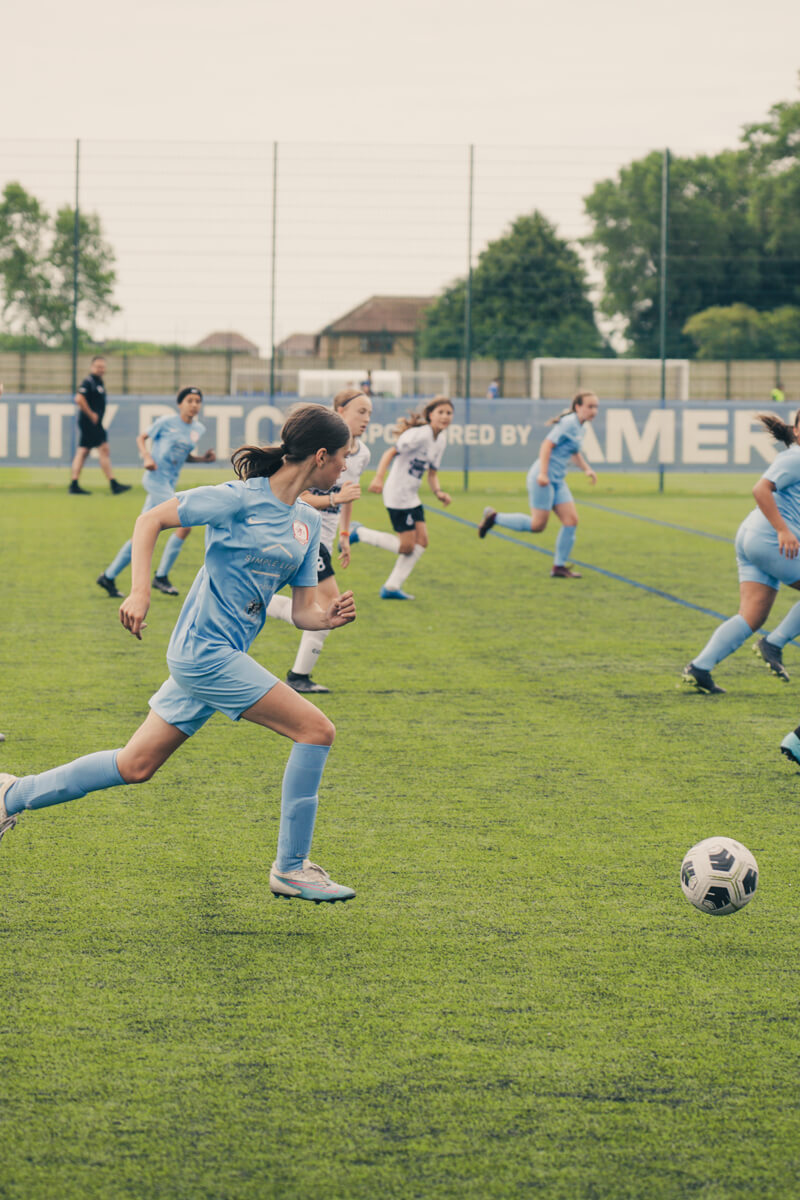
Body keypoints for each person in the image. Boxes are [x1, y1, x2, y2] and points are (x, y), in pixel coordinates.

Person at [0, 404, 358, 904]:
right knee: (317, 730)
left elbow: (302, 612)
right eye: (344, 455)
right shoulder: (237, 499)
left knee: (136, 764)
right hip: (202, 654)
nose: (347, 465)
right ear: (321, 456)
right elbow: (151, 519)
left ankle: (10, 795)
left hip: (220, 656)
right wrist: (140, 591)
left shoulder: (303, 524)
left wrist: (327, 618)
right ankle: (291, 867)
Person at [682, 410, 800, 695]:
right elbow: (761, 489)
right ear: (797, 430)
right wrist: (783, 530)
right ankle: (773, 644)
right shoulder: (796, 457)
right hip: (769, 537)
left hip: (752, 535)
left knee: (751, 615)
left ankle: (700, 668)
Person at [265, 388, 372, 693]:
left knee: (323, 605)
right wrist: (335, 498)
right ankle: (298, 675)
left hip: (325, 537)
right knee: (327, 605)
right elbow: (297, 497)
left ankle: (298, 673)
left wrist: (345, 533)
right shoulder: (316, 447)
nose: (365, 419)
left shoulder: (361, 453)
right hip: (303, 532)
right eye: (360, 411)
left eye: (369, 414)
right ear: (339, 410)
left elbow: (348, 495)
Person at [96, 386, 216, 600]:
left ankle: (109, 576)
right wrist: (146, 457)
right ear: (180, 404)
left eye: (197, 401)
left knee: (141, 534)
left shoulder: (198, 429)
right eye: (189, 400)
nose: (194, 404)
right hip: (155, 480)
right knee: (186, 523)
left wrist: (203, 459)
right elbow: (141, 438)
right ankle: (161, 576)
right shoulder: (166, 422)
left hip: (168, 483)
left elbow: (184, 455)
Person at [478, 390, 599, 577]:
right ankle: (494, 518)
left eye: (596, 407)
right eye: (590, 406)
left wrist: (587, 469)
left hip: (557, 480)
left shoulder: (581, 427)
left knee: (571, 521)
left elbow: (574, 451)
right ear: (578, 407)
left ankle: (558, 567)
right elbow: (546, 445)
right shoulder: (568, 423)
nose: (594, 411)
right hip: (543, 478)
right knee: (537, 525)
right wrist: (543, 474)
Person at [350, 396, 453, 600]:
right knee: (406, 546)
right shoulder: (418, 435)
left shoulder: (440, 440)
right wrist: (378, 478)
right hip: (397, 494)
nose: (445, 416)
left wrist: (438, 492)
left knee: (422, 542)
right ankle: (359, 533)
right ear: (430, 415)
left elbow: (432, 473)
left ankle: (391, 587)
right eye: (440, 412)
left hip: (411, 496)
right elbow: (390, 452)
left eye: (449, 413)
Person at [69, 355, 131, 495]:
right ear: (92, 367)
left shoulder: (98, 382)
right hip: (90, 422)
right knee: (103, 449)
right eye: (98, 366)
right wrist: (91, 414)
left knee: (83, 451)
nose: (101, 369)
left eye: (103, 366)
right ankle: (113, 484)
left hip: (92, 423)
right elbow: (79, 398)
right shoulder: (89, 381)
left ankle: (74, 484)